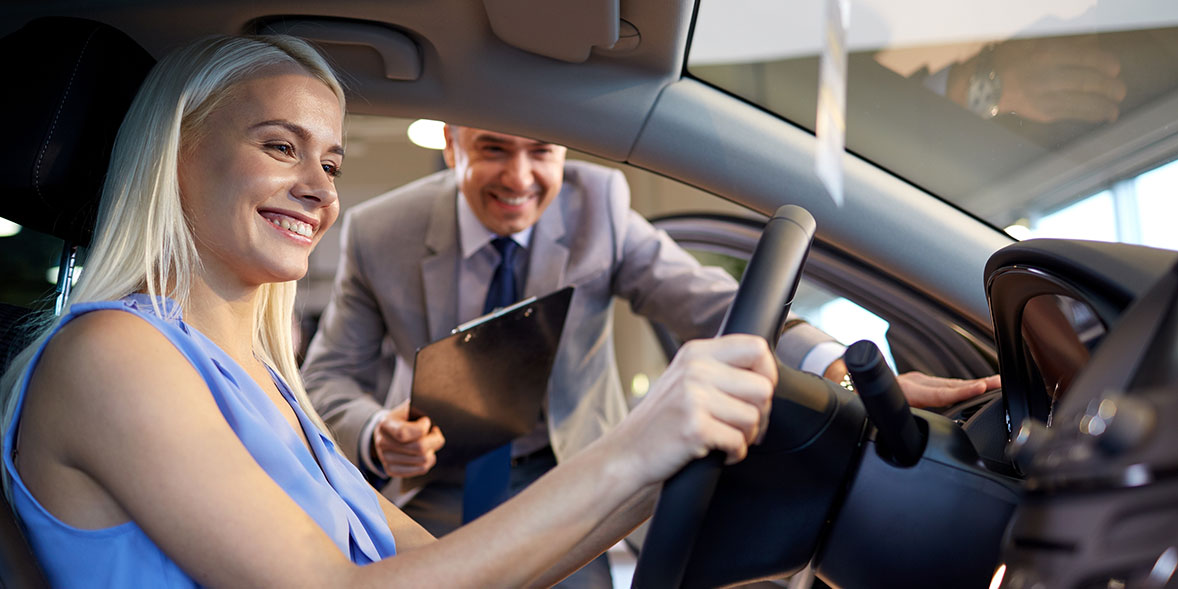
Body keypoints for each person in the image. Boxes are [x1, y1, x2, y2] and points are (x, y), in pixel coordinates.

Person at [0, 34, 779, 587]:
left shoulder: (267, 383)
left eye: (331, 161)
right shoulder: (112, 353)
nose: (321, 188)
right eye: (280, 147)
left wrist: (674, 466)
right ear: (176, 152)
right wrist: (641, 446)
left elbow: (425, 557)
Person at [300, 119, 1001, 577]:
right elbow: (328, 377)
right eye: (492, 149)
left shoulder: (599, 205)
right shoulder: (378, 232)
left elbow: (713, 304)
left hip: (568, 478)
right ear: (452, 142)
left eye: (541, 150)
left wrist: (839, 367)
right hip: (437, 488)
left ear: (564, 148)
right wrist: (374, 433)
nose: (520, 178)